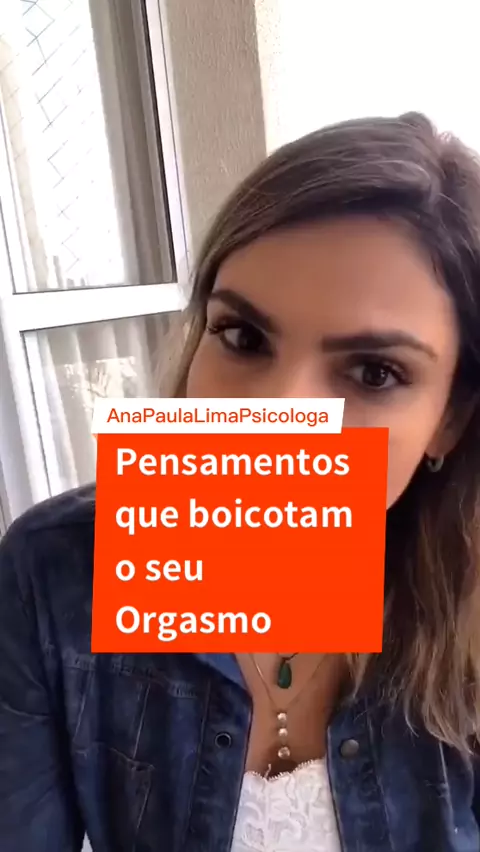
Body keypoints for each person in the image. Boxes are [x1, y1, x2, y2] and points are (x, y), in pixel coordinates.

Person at [1, 111, 480, 852]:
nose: (275, 415)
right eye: (243, 336)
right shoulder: (55, 573)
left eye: (374, 372)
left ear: (449, 420)